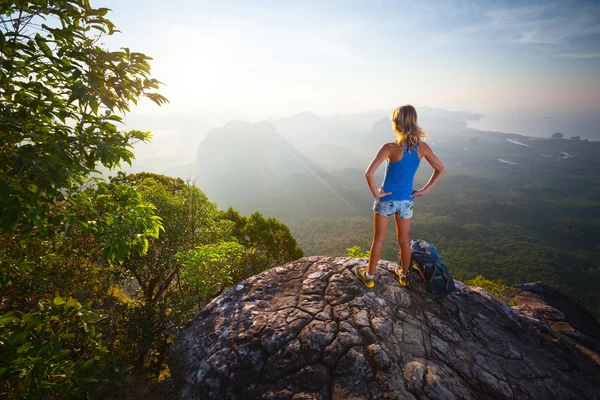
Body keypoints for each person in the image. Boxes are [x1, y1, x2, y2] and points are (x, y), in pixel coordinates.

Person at [353, 105, 445, 288]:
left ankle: (369, 276)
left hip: (386, 200)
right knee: (404, 241)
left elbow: (368, 173)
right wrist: (425, 190)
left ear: (397, 123)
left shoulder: (389, 148)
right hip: (406, 202)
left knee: (379, 240)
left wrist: (376, 193)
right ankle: (403, 275)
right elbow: (440, 169)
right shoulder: (423, 148)